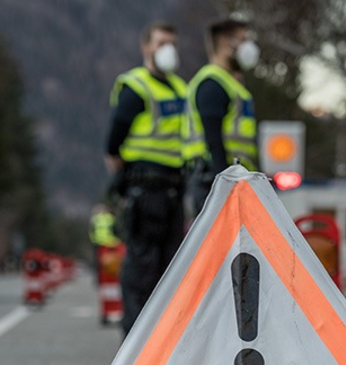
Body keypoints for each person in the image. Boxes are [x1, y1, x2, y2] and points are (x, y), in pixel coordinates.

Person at [104, 21, 187, 336]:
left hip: (174, 190)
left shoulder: (183, 89)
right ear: (146, 47)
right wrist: (124, 181)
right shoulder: (136, 86)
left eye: (173, 43)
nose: (168, 50)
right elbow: (113, 144)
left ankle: (161, 344)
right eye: (162, 43)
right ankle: (135, 344)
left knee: (170, 271)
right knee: (142, 269)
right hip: (145, 188)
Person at [183, 18, 260, 216]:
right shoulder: (213, 84)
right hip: (215, 182)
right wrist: (225, 182)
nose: (248, 46)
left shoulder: (231, 85)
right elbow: (213, 139)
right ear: (226, 43)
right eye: (243, 40)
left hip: (234, 180)